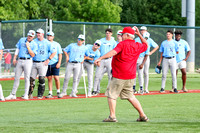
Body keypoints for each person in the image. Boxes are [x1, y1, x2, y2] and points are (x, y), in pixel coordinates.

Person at [94, 26, 149, 122]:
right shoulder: (137, 45)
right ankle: (142, 115)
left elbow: (113, 52)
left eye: (123, 34)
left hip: (119, 75)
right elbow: (146, 44)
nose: (121, 35)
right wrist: (139, 34)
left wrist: (100, 58)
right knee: (131, 96)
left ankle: (112, 116)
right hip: (131, 76)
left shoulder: (122, 44)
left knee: (111, 95)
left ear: (127, 35)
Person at [5, 30, 38, 100]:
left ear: (33, 37)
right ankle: (13, 94)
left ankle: (26, 94)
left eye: (31, 36)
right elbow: (18, 49)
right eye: (29, 35)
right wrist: (14, 58)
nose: (29, 37)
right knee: (16, 77)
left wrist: (28, 47)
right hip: (20, 60)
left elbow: (33, 54)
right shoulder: (22, 39)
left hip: (28, 61)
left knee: (27, 78)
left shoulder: (34, 44)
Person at [28, 28, 56, 99]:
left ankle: (40, 94)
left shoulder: (47, 42)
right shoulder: (33, 42)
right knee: (31, 79)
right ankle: (29, 94)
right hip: (34, 62)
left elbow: (54, 52)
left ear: (42, 34)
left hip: (42, 63)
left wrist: (49, 59)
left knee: (41, 79)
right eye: (37, 33)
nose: (38, 34)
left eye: (39, 33)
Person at [133, 26, 159, 94]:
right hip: (138, 57)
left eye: (143, 30)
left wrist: (151, 52)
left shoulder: (149, 39)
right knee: (139, 73)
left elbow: (156, 46)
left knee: (146, 73)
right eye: (141, 30)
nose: (142, 31)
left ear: (146, 31)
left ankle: (146, 88)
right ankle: (139, 87)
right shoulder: (137, 39)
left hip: (146, 57)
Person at [92, 28, 117, 96]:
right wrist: (98, 59)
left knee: (110, 75)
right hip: (102, 59)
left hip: (109, 60)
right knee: (97, 75)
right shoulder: (101, 40)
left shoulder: (113, 42)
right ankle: (95, 90)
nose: (107, 34)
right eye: (106, 33)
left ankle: (109, 89)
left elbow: (115, 51)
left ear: (111, 34)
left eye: (109, 33)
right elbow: (97, 50)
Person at [45, 31, 63, 98]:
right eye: (48, 35)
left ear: (53, 37)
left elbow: (60, 54)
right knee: (49, 78)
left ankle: (58, 91)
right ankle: (50, 93)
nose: (49, 37)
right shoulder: (45, 43)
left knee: (56, 78)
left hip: (55, 62)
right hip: (47, 63)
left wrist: (59, 62)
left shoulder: (57, 44)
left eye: (50, 35)